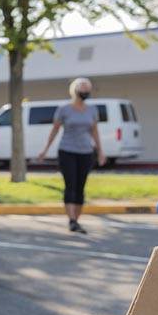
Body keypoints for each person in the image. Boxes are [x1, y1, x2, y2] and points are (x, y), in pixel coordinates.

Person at [36, 76, 106, 234]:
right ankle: (72, 220)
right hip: (67, 151)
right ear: (75, 90)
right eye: (83, 88)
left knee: (80, 186)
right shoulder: (64, 109)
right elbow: (54, 130)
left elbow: (95, 132)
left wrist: (100, 151)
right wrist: (45, 149)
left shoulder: (92, 110)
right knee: (70, 184)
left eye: (88, 89)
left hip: (86, 152)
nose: (85, 91)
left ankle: (77, 219)